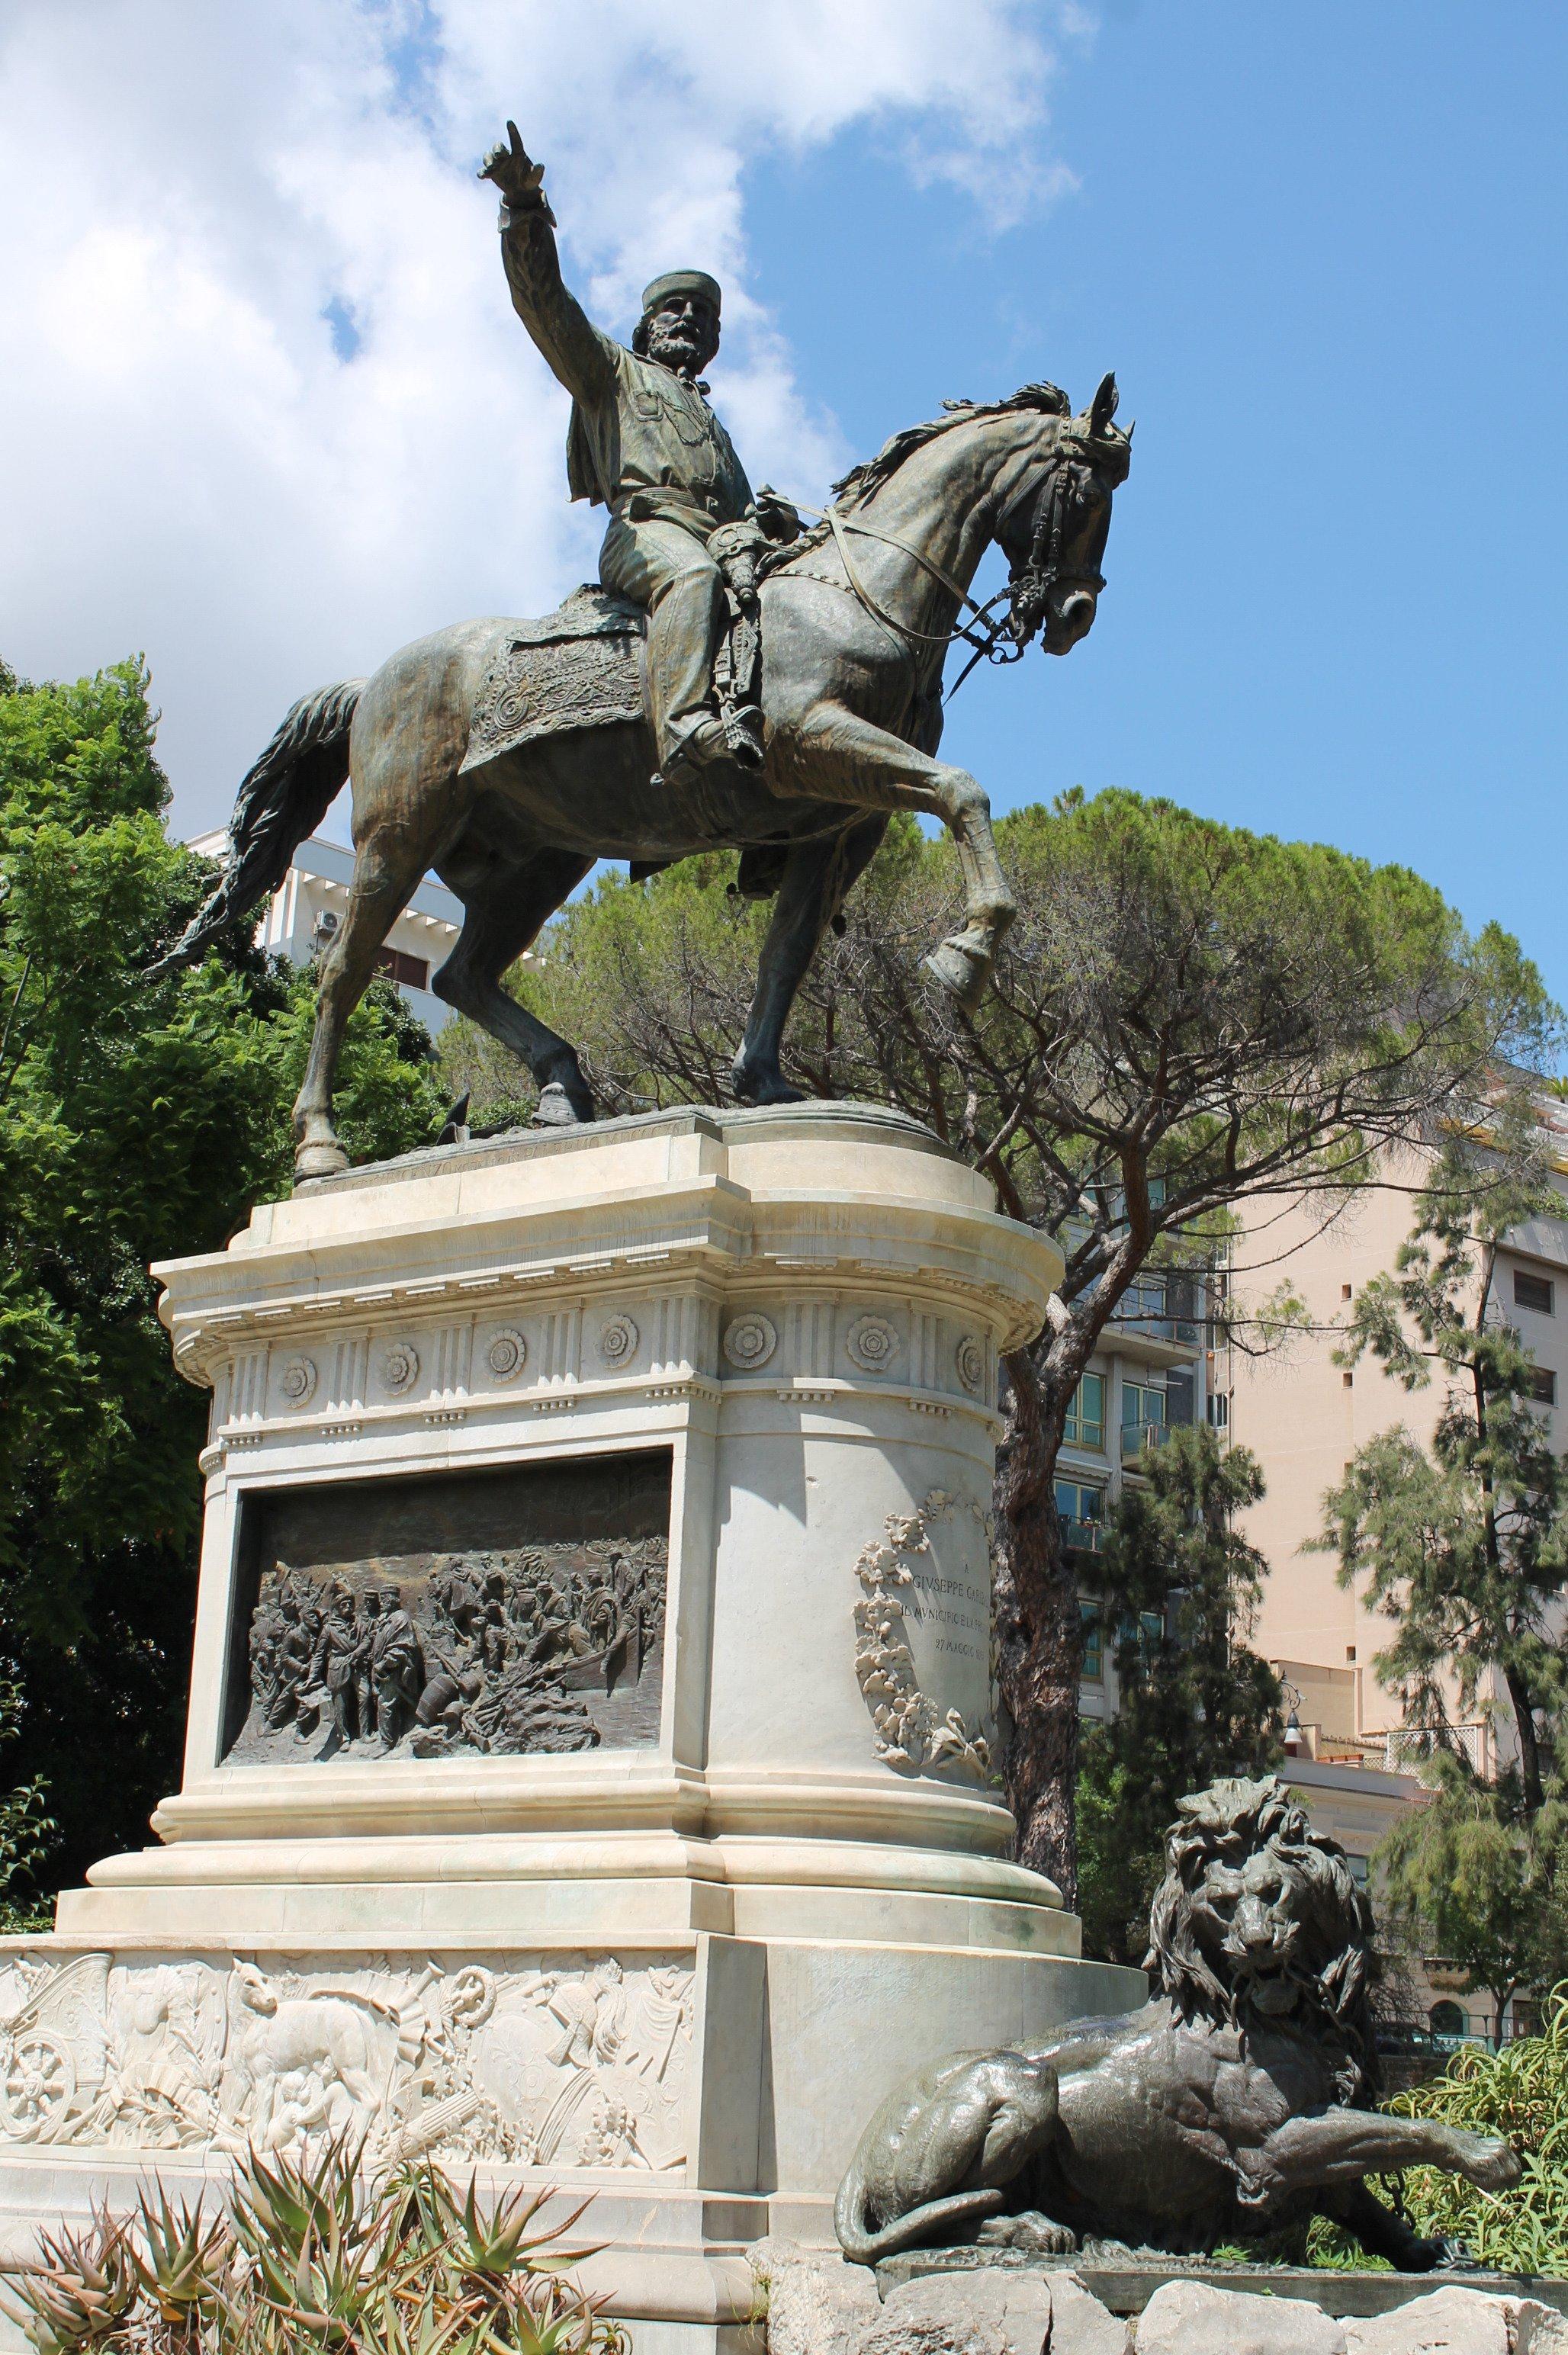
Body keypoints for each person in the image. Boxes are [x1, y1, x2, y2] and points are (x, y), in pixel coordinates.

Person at [480, 122, 798, 783]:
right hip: (646, 533)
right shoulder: (612, 372)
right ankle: (682, 727)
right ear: (645, 327)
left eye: (702, 316)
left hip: (720, 539)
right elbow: (546, 306)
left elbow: (737, 511)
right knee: (695, 580)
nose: (689, 319)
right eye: (674, 310)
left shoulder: (715, 423)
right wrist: (524, 213)